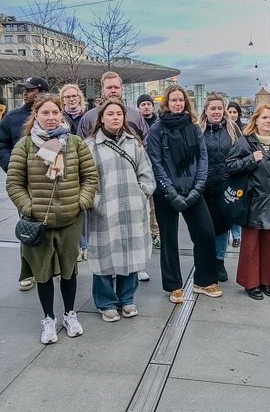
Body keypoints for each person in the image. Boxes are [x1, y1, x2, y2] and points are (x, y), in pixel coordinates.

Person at [6, 95, 97, 344]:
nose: (50, 117)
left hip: (70, 219)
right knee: (43, 273)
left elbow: (90, 177)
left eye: (55, 113)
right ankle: (48, 318)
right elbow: (14, 184)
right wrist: (30, 207)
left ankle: (69, 313)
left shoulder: (76, 144)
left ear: (61, 115)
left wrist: (80, 203)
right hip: (38, 223)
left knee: (69, 271)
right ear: (36, 116)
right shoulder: (25, 145)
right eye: (45, 113)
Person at [147, 85, 223, 301]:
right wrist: (170, 192)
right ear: (167, 104)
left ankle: (204, 281)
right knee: (169, 239)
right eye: (173, 100)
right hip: (166, 193)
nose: (178, 104)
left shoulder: (193, 127)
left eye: (181, 100)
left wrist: (198, 187)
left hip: (193, 191)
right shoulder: (157, 129)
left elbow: (202, 159)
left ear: (186, 103)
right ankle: (174, 286)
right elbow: (155, 162)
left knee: (205, 234)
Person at [85, 99, 155, 322]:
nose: (115, 117)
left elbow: (146, 173)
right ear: (101, 118)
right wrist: (95, 201)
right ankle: (105, 302)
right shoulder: (90, 146)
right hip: (104, 210)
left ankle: (127, 299)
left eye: (119, 114)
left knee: (130, 253)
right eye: (111, 114)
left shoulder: (134, 144)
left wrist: (141, 192)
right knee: (105, 254)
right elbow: (85, 178)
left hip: (133, 208)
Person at [226, 105, 270, 300]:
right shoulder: (245, 142)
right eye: (264, 118)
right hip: (252, 202)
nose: (268, 121)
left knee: (269, 244)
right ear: (255, 120)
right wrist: (250, 159)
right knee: (250, 244)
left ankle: (267, 281)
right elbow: (230, 165)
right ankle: (250, 283)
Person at [0, 76, 48, 291]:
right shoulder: (13, 117)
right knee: (28, 227)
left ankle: (53, 268)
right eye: (25, 90)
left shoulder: (53, 114)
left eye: (30, 89)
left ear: (41, 92)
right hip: (26, 184)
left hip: (51, 183)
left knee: (53, 228)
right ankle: (28, 272)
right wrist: (12, 166)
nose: (25, 93)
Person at [198, 95, 240, 282]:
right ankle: (207, 261)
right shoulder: (198, 130)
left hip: (225, 187)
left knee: (223, 227)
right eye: (212, 108)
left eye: (219, 108)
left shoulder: (233, 130)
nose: (216, 112)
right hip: (204, 188)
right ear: (205, 111)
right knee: (205, 228)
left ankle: (219, 261)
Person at [77, 72, 149, 143]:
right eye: (109, 87)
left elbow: (146, 144)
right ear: (103, 91)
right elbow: (81, 146)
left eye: (116, 87)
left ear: (121, 89)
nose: (113, 90)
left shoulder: (136, 117)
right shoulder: (89, 118)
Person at [138, 94, 161, 249]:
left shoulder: (159, 122)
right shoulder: (135, 122)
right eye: (143, 104)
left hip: (154, 168)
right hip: (139, 168)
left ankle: (155, 234)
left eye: (148, 104)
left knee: (154, 206)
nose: (146, 106)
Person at [226, 101, 244, 248]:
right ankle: (225, 234)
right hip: (224, 172)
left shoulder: (243, 130)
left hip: (238, 172)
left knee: (236, 205)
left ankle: (237, 235)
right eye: (230, 112)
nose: (232, 115)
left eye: (234, 112)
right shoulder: (222, 128)